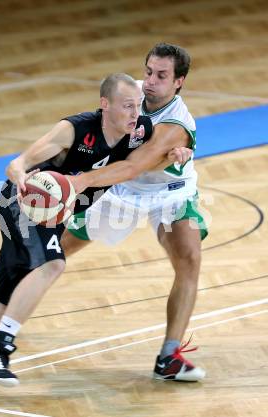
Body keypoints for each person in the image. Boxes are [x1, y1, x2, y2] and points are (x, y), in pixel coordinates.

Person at [0, 72, 189, 386]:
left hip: (51, 217)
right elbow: (19, 163)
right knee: (53, 264)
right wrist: (20, 175)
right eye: (127, 106)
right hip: (22, 206)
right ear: (104, 104)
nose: (135, 114)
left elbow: (138, 166)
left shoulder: (138, 131)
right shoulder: (74, 129)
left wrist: (174, 158)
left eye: (138, 106)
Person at [61, 43, 207, 382]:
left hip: (169, 193)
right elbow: (94, 133)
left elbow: (132, 165)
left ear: (179, 82)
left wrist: (79, 183)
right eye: (149, 72)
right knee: (60, 248)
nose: (151, 81)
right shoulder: (129, 96)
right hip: (123, 193)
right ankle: (4, 307)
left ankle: (169, 356)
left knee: (189, 260)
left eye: (162, 76)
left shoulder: (176, 124)